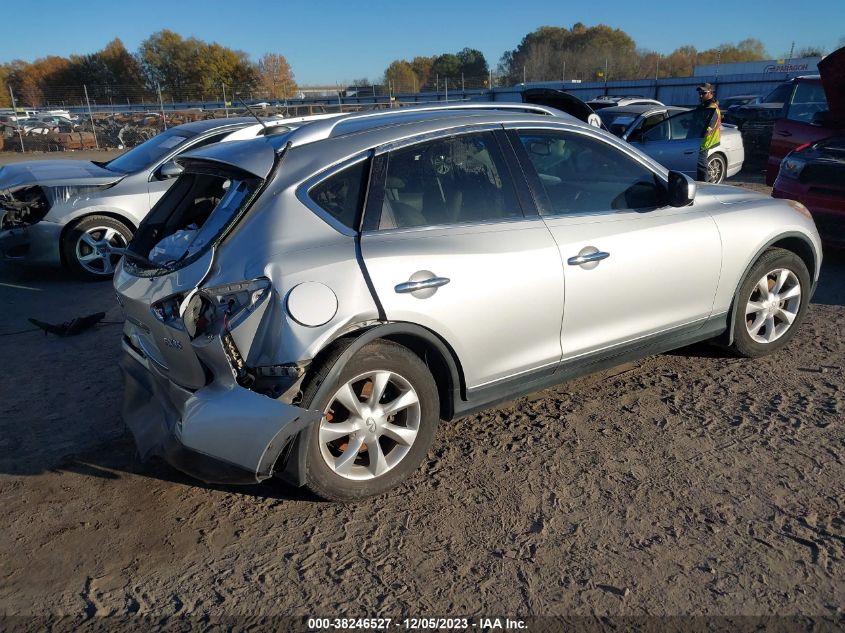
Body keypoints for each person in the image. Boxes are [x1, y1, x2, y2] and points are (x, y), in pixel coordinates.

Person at [695, 83, 721, 182]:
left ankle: (704, 186)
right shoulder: (703, 107)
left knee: (701, 165)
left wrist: (699, 136)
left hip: (705, 141)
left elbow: (709, 128)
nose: (701, 95)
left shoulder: (712, 108)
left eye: (704, 93)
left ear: (711, 93)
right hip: (700, 140)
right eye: (700, 93)